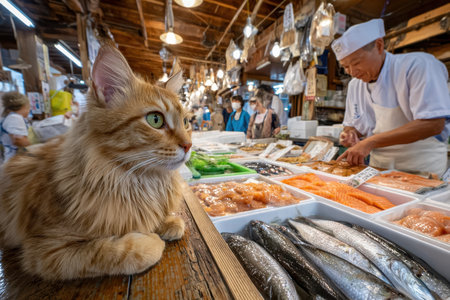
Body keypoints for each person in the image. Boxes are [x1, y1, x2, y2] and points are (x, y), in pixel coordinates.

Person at [332, 19, 450, 175]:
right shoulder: (355, 85)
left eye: (357, 62)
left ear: (379, 46)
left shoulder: (418, 65)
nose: (352, 72)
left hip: (421, 168)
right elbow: (353, 125)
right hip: (378, 168)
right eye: (345, 67)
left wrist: (370, 142)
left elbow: (433, 123)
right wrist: (349, 134)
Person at [0, 92, 31, 162]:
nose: (29, 111)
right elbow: (18, 140)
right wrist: (35, 150)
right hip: (16, 161)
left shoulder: (10, 117)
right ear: (23, 106)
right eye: (29, 107)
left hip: (13, 159)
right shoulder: (15, 118)